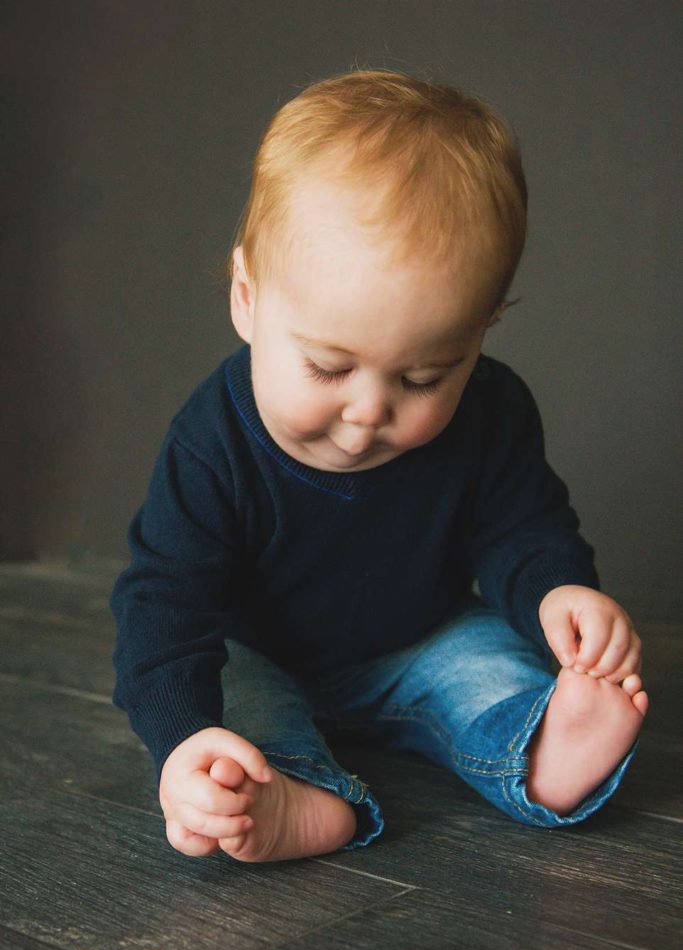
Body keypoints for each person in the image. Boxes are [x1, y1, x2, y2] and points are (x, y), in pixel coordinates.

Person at [109, 68, 648, 864]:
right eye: (329, 368)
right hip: (262, 649)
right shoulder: (210, 441)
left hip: (418, 639)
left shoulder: (492, 411)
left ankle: (537, 750)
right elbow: (164, 604)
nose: (367, 412)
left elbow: (521, 526)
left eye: (423, 378)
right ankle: (291, 795)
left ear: (481, 330)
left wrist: (556, 590)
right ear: (247, 298)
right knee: (236, 718)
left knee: (488, 661)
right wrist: (183, 740)